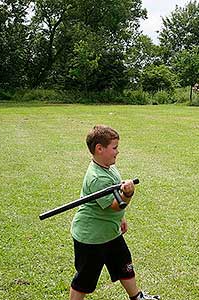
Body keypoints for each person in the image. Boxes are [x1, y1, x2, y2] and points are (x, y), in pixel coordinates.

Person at [69, 125, 160, 300]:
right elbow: (116, 204)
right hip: (92, 237)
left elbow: (116, 202)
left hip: (110, 232)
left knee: (124, 264)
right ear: (99, 148)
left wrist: (120, 218)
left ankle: (137, 297)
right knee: (85, 279)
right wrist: (128, 194)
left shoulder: (108, 167)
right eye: (115, 147)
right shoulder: (97, 177)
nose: (117, 152)